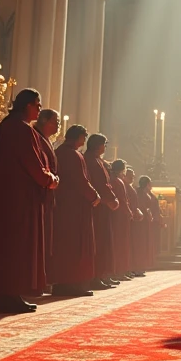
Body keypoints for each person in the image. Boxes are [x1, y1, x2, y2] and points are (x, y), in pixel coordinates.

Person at [0, 89, 59, 313]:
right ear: (27, 106)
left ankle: (3, 293)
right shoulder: (21, 129)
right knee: (17, 245)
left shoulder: (8, 125)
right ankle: (9, 295)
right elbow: (32, 162)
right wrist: (49, 179)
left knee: (7, 245)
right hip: (20, 198)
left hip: (9, 195)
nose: (40, 109)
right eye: (38, 104)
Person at [49, 125, 100, 297]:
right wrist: (94, 196)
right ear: (78, 137)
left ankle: (62, 283)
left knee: (64, 244)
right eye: (83, 138)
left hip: (63, 205)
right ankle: (74, 284)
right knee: (76, 245)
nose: (84, 142)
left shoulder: (59, 152)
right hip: (76, 206)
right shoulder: (73, 155)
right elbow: (81, 180)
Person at [84, 133, 119, 288]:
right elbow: (101, 183)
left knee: (103, 241)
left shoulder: (97, 160)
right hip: (98, 206)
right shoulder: (92, 160)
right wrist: (111, 199)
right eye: (104, 144)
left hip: (102, 205)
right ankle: (95, 276)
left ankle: (101, 274)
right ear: (98, 145)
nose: (105, 147)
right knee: (99, 241)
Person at [34, 108, 61, 289]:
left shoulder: (46, 140)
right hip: (37, 194)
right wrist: (50, 179)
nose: (58, 125)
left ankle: (41, 279)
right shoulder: (34, 137)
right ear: (44, 121)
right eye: (55, 121)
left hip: (46, 194)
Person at [108, 159, 133, 282]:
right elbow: (123, 200)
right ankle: (118, 270)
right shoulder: (118, 181)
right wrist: (128, 211)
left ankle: (119, 270)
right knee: (120, 243)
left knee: (119, 243)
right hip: (120, 216)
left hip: (116, 215)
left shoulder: (115, 180)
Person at [125, 167, 148, 277]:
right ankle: (131, 268)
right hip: (132, 221)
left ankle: (134, 267)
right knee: (132, 246)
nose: (133, 177)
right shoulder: (125, 186)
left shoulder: (130, 187)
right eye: (130, 175)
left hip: (136, 221)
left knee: (135, 246)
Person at [137, 176, 162, 270]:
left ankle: (148, 263)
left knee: (151, 242)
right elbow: (142, 206)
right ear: (147, 184)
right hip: (143, 222)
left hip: (152, 222)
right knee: (143, 243)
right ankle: (141, 265)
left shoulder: (149, 194)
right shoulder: (140, 193)